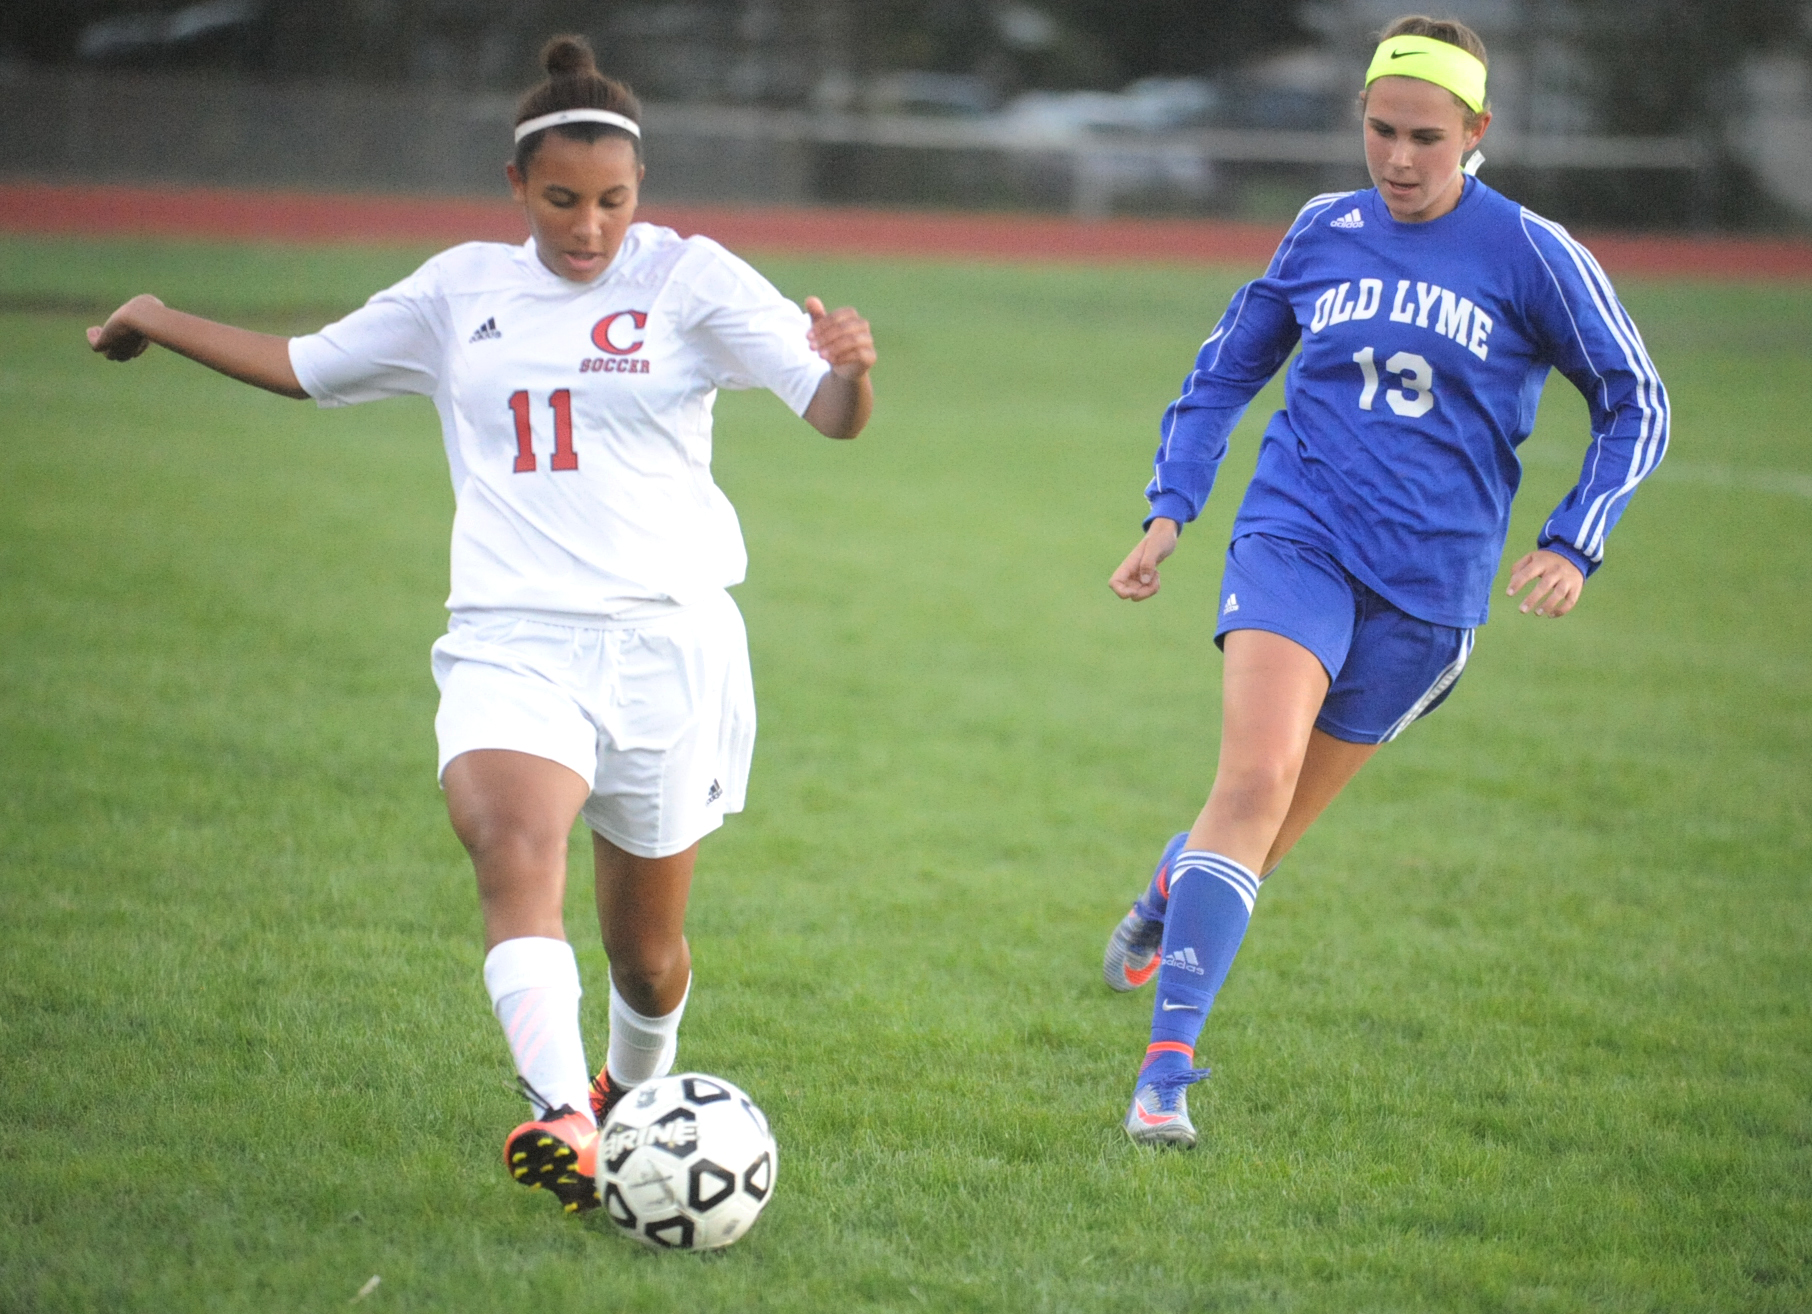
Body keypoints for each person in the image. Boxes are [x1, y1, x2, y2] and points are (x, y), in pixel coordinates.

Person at [86, 35, 876, 1209]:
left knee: (647, 964)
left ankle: (619, 1095)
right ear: (517, 187)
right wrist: (158, 314)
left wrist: (853, 368)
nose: (590, 228)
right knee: (513, 854)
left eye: (613, 201)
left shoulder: (691, 278)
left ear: (639, 193)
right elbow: (305, 366)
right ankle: (560, 1111)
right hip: (514, 637)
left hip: (670, 647)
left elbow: (830, 412)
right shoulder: (459, 290)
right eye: (563, 199)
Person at [1100, 15, 1666, 1147]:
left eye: (1425, 137)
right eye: (1379, 131)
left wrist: (1573, 539)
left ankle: (1167, 890)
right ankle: (1164, 1075)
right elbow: (1224, 375)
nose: (1399, 159)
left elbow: (1634, 398)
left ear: (1476, 132)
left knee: (1260, 832)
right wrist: (1172, 511)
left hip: (1430, 594)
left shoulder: (1532, 253)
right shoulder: (1323, 229)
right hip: (1295, 535)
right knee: (1254, 776)